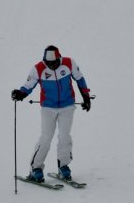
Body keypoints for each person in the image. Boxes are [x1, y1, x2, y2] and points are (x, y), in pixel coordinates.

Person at [11, 45, 91, 182]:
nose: (52, 66)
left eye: (54, 63)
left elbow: (80, 78)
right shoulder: (38, 68)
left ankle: (63, 167)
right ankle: (36, 168)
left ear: (59, 58)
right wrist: (21, 93)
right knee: (46, 137)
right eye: (49, 64)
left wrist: (86, 97)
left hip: (67, 106)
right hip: (48, 108)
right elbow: (28, 85)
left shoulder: (69, 63)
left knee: (64, 136)